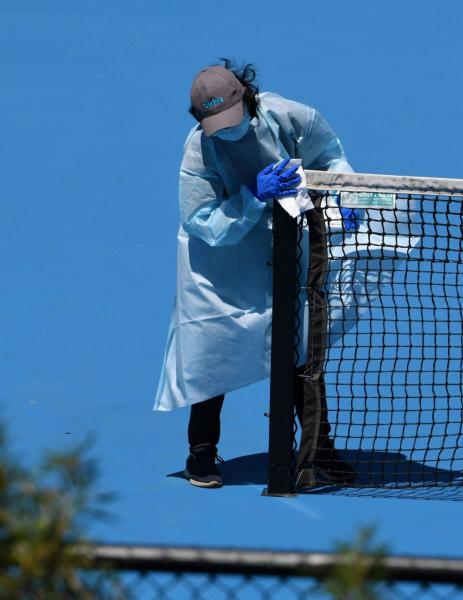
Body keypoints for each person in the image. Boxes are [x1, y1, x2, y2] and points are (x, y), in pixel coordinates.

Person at [154, 60, 356, 489]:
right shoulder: (198, 150)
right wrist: (251, 196)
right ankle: (201, 453)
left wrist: (345, 193)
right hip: (218, 264)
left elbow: (331, 157)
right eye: (216, 124)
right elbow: (201, 221)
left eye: (231, 118)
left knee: (299, 348)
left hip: (287, 249)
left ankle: (320, 448)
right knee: (211, 353)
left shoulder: (291, 117)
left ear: (245, 96)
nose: (226, 129)